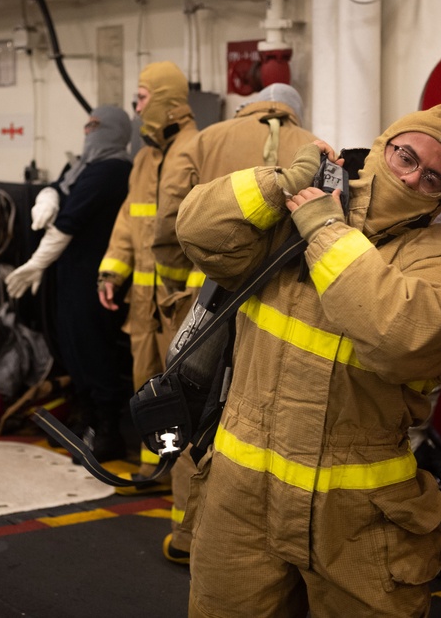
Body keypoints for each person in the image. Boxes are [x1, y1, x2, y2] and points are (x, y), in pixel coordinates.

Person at [174, 105, 441, 616]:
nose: (411, 175)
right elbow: (197, 230)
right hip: (241, 501)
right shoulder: (295, 208)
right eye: (405, 155)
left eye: (432, 176)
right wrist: (279, 184)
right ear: (383, 146)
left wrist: (323, 231)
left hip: (358, 522)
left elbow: (402, 335)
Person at [151, 83, 319, 564]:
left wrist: (171, 284)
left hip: (205, 298)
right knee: (256, 415)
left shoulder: (208, 139)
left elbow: (169, 217)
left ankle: (188, 535)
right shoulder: (314, 141)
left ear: (251, 105)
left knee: (192, 402)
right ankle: (257, 544)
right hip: (279, 306)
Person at [4, 106, 133, 461]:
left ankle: (107, 432)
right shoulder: (84, 166)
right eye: (87, 124)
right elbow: (60, 187)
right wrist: (48, 196)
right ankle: (87, 419)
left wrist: (35, 265)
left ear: (116, 131)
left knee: (93, 350)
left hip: (95, 279)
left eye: (97, 126)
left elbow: (69, 223)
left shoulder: (112, 170)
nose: (89, 131)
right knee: (73, 350)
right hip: (71, 277)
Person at [96, 61, 199, 480]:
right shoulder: (143, 161)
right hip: (144, 304)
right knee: (146, 386)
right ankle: (152, 463)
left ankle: (181, 476)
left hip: (181, 304)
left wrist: (196, 296)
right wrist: (110, 273)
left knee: (180, 393)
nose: (137, 109)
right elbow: (127, 221)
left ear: (165, 102)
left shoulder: (199, 150)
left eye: (141, 98)